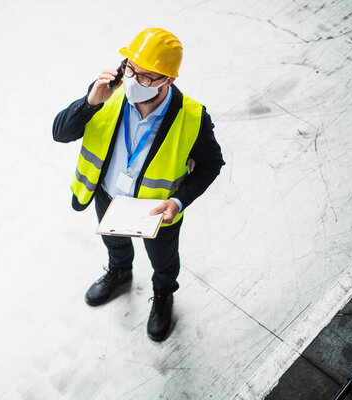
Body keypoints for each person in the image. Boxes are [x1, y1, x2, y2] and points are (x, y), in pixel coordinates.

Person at [52, 28, 225, 342]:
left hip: (156, 211)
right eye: (130, 67)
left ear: (168, 80)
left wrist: (179, 202)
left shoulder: (193, 117)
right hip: (107, 195)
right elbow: (60, 133)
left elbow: (212, 164)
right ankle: (119, 272)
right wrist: (90, 102)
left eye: (146, 76)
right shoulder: (106, 92)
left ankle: (162, 295)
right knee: (114, 242)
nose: (133, 79)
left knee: (163, 260)